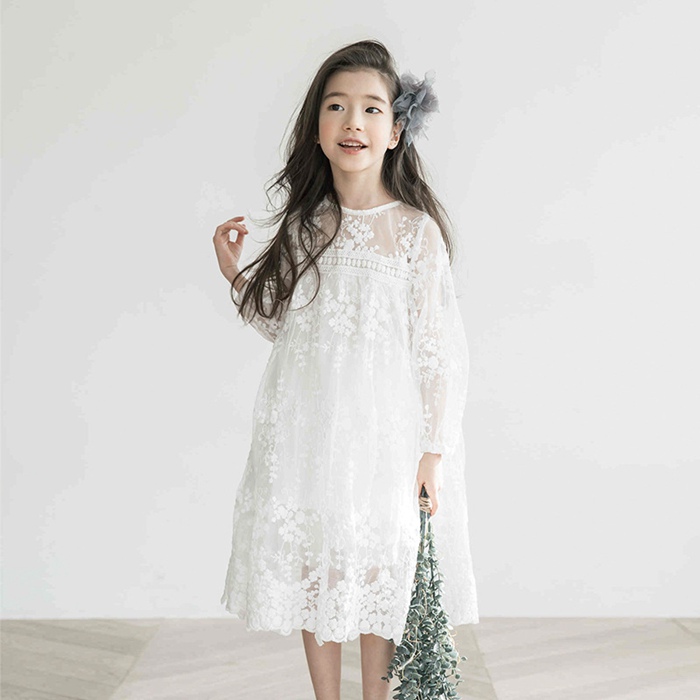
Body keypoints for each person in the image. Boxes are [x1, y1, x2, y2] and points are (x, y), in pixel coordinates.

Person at [212, 39, 479, 700]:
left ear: (396, 131)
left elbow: (439, 349)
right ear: (317, 129)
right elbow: (288, 326)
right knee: (321, 570)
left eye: (370, 109)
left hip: (384, 436)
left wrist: (433, 450)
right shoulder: (306, 226)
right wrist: (234, 273)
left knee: (380, 570)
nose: (352, 122)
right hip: (309, 429)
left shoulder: (414, 232)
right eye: (336, 107)